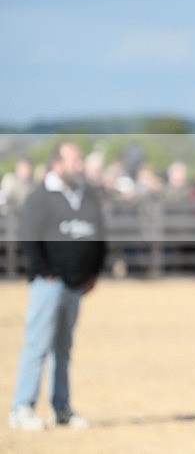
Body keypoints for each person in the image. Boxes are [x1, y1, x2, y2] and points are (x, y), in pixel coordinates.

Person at [9, 142, 107, 430]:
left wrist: (93, 272)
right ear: (57, 163)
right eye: (74, 159)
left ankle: (61, 408)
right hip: (48, 284)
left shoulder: (86, 195)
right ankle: (22, 408)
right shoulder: (40, 197)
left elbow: (99, 236)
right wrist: (44, 271)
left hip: (76, 284)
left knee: (63, 348)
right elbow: (28, 238)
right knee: (37, 346)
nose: (80, 164)